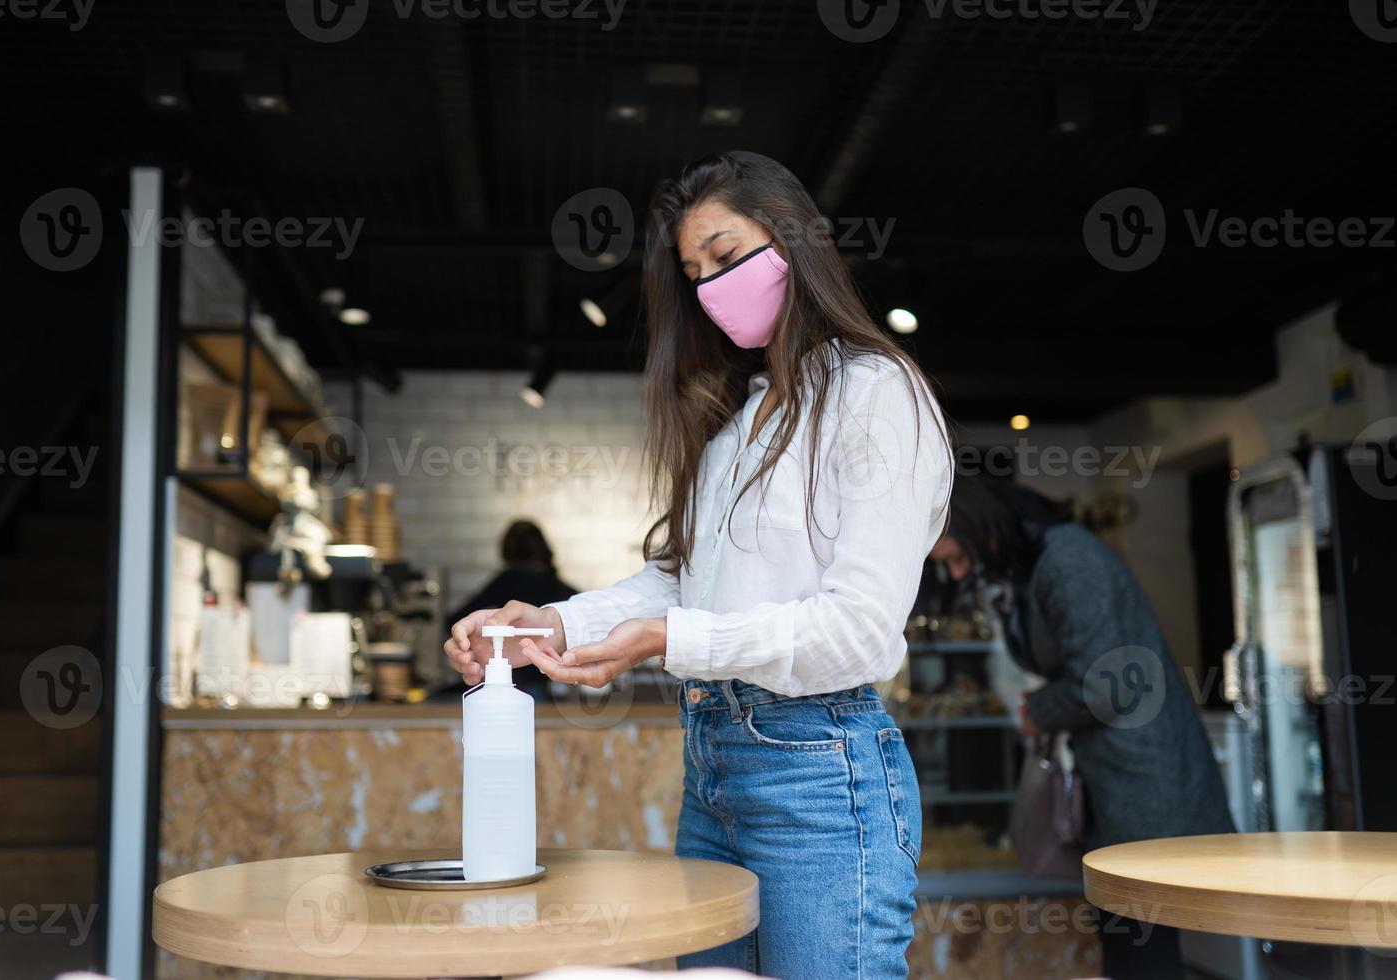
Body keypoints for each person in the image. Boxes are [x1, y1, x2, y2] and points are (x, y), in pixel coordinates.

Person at [446, 151, 953, 978]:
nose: (710, 287)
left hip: (816, 776)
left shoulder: (875, 394)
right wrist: (554, 621)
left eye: (725, 255)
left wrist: (666, 640)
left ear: (795, 240)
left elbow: (858, 632)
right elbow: (683, 576)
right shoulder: (739, 419)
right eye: (693, 273)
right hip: (713, 762)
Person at [927, 474, 1235, 980]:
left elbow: (1110, 685)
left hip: (1144, 783)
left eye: (957, 557)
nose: (958, 573)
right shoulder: (1037, 568)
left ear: (985, 531)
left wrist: (1038, 710)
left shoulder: (1070, 559)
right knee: (1125, 941)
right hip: (1115, 784)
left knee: (1142, 946)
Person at [446, 520, 577, 698]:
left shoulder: (507, 580)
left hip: (516, 681)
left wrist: (474, 635)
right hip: (557, 683)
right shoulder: (555, 583)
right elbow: (584, 612)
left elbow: (455, 619)